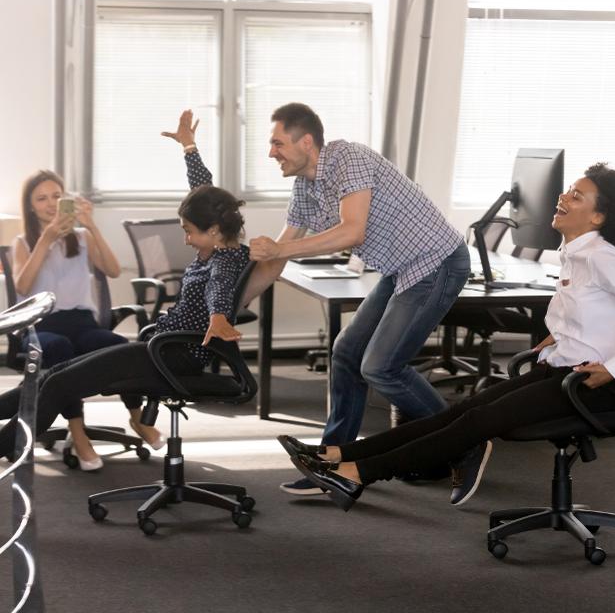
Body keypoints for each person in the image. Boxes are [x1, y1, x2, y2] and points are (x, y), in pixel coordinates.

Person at [279, 163, 615, 510]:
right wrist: (562, 334)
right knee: (458, 413)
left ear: (598, 216)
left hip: (588, 385)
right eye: (568, 190)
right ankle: (339, 454)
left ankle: (356, 473)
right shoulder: (576, 252)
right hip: (560, 370)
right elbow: (597, 311)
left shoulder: (602, 257)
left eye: (576, 196)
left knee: (476, 422)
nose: (563, 197)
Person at [234, 102, 471, 496]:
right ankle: (334, 461)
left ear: (306, 142)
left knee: (380, 367)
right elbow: (277, 257)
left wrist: (279, 250)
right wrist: (228, 310)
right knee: (346, 353)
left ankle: (466, 441)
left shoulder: (348, 157)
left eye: (277, 143)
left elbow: (351, 232)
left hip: (438, 262)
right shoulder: (305, 186)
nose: (271, 152)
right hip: (400, 269)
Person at [0, 113, 248, 465]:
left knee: (58, 383)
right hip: (161, 346)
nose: (185, 239)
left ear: (213, 231)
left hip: (172, 353)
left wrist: (219, 316)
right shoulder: (216, 241)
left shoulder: (223, 260)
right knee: (55, 374)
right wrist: (189, 148)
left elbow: (219, 288)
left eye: (189, 231)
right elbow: (203, 192)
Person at [10, 171, 160, 469]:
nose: (50, 204)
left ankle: (137, 417)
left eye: (56, 196)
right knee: (60, 349)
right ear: (31, 207)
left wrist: (91, 225)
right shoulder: (23, 243)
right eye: (41, 199)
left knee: (122, 348)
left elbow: (113, 270)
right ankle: (78, 432)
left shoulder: (82, 238)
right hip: (42, 325)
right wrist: (46, 240)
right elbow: (23, 287)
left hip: (82, 323)